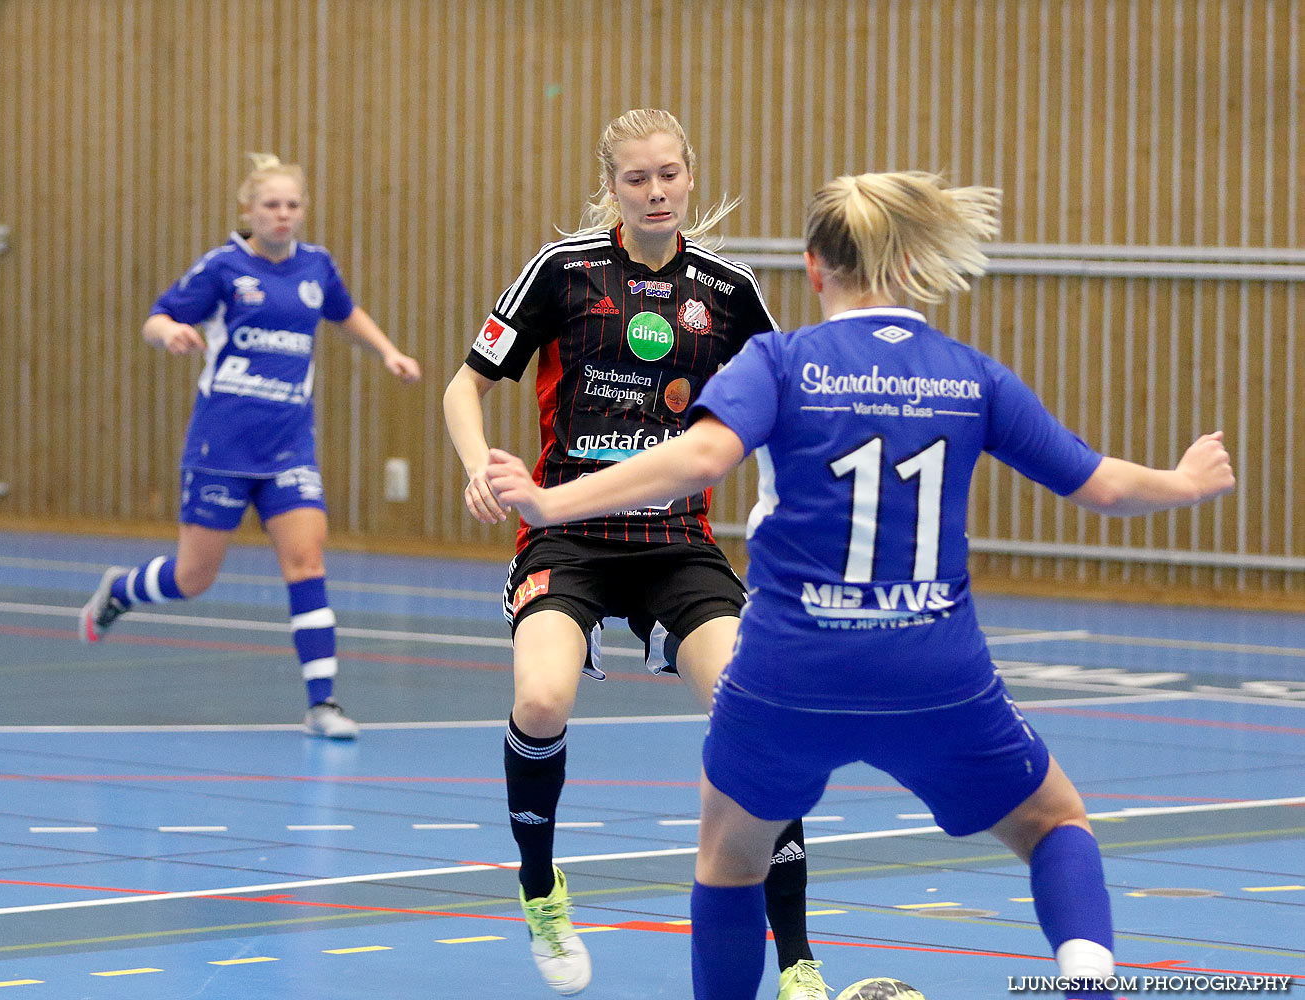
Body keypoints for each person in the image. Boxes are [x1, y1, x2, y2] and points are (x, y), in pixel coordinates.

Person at [485, 171, 1236, 1000]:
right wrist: (1187, 481)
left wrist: (550, 498)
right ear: (914, 267)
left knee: (729, 862)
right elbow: (1099, 486)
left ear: (813, 268)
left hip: (790, 675)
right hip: (934, 672)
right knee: (1055, 823)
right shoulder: (970, 376)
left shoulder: (781, 362)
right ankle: (1090, 980)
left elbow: (694, 461)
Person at [443, 109, 824, 999]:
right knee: (540, 697)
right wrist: (477, 467)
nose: (655, 192)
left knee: (756, 713)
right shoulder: (563, 270)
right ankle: (541, 889)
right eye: (635, 179)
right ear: (610, 185)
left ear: (691, 175)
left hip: (674, 541)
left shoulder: (727, 293)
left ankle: (799, 958)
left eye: (668, 175)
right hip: (565, 531)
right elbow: (467, 384)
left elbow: (785, 408)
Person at [79, 152, 421, 740]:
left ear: (303, 211)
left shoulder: (316, 267)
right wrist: (171, 334)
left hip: (289, 448)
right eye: (271, 205)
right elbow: (156, 318)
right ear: (249, 211)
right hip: (222, 448)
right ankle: (120, 589)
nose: (282, 215)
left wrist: (386, 351)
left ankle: (323, 704)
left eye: (292, 206)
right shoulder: (223, 268)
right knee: (193, 578)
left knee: (307, 563)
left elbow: (345, 313)